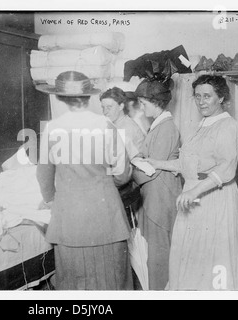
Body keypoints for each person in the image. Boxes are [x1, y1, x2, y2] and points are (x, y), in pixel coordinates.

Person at [145, 75, 238, 290]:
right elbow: (188, 164)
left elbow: (226, 169)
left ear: (221, 97)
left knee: (212, 258)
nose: (201, 101)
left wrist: (194, 192)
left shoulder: (228, 126)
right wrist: (156, 163)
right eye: (197, 96)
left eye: (207, 96)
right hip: (193, 197)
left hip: (214, 198)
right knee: (191, 256)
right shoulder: (201, 124)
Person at [35, 71, 134, 290]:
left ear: (60, 98)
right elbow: (122, 173)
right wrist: (101, 185)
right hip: (106, 216)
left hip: (69, 220)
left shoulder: (52, 128)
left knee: (74, 283)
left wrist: (52, 199)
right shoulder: (105, 124)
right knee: (114, 280)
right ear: (88, 97)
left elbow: (44, 174)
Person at [131, 78, 182, 290]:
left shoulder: (166, 128)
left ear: (156, 102)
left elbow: (150, 170)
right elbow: (143, 155)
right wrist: (138, 161)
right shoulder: (157, 127)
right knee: (155, 254)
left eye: (143, 104)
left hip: (161, 200)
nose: (141, 109)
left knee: (159, 258)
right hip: (154, 198)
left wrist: (129, 171)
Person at [100, 87, 145, 161]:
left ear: (121, 106)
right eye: (103, 107)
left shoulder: (127, 128)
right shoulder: (115, 124)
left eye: (109, 107)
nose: (105, 112)